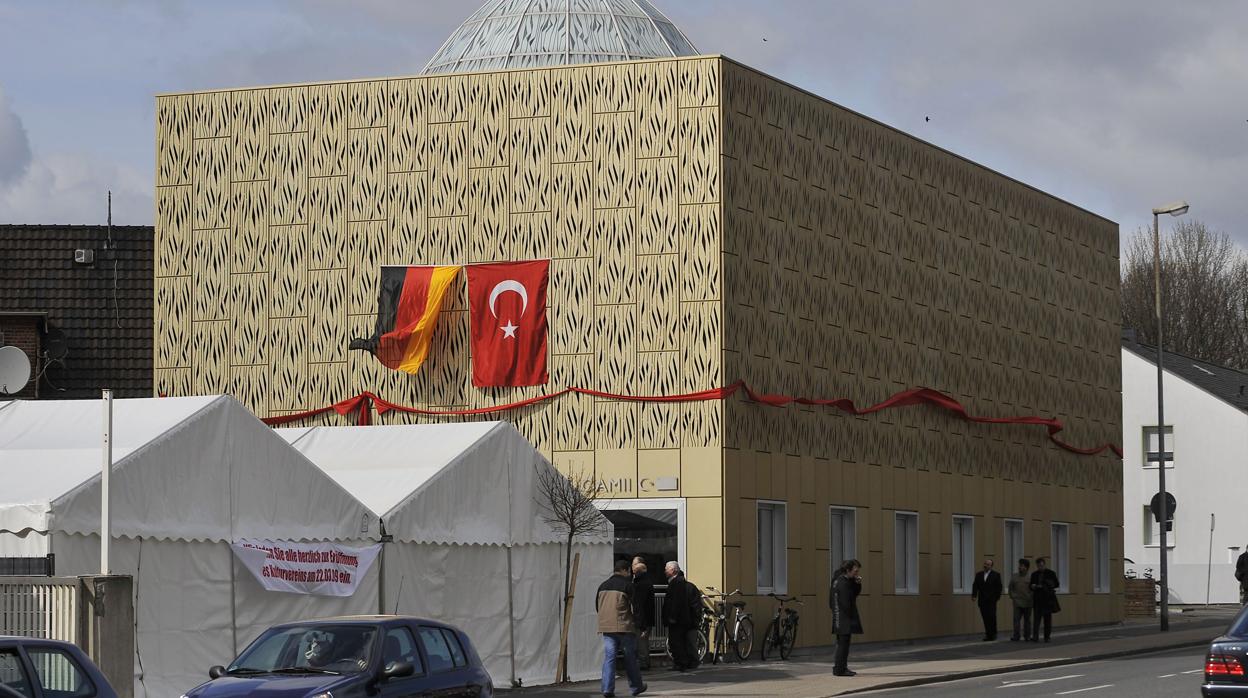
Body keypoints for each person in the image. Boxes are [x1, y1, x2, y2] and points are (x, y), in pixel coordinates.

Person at [596, 558, 647, 698]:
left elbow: (597, 606)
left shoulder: (602, 586)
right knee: (630, 657)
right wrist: (640, 625)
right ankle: (636, 686)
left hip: (606, 627)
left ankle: (607, 689)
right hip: (624, 627)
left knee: (609, 657)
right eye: (628, 571)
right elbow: (636, 608)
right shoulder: (628, 586)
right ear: (625, 570)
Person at [662, 561, 702, 672]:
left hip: (678, 620)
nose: (665, 571)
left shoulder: (676, 584)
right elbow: (695, 605)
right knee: (686, 642)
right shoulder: (688, 585)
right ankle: (689, 662)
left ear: (673, 570)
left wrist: (671, 617)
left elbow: (675, 603)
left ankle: (681, 663)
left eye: (667, 569)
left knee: (676, 642)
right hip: (686, 620)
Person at [829, 558, 863, 677]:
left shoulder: (838, 580)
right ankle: (840, 669)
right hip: (844, 617)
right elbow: (848, 601)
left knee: (841, 644)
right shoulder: (843, 583)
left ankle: (839, 667)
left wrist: (857, 584)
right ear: (847, 570)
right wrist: (850, 616)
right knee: (843, 645)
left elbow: (832, 601)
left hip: (839, 616)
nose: (856, 574)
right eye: (855, 571)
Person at [631, 557, 655, 670]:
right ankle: (645, 662)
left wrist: (641, 623)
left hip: (642, 619)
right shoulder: (647, 582)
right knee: (643, 642)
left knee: (641, 642)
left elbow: (639, 605)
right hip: (647, 618)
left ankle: (643, 664)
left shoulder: (640, 584)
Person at [1029, 557, 1060, 642]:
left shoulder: (1051, 573)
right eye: (1039, 566)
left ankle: (1047, 637)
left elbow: (1057, 584)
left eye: (1042, 565)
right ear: (1037, 565)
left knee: (1047, 620)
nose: (1040, 567)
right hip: (1038, 599)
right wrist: (1033, 586)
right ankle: (1035, 637)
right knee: (1036, 619)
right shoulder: (1034, 574)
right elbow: (1030, 585)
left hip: (1047, 599)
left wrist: (1047, 585)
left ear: (1044, 564)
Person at [971, 558, 1003, 641]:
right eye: (985, 564)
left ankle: (993, 634)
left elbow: (999, 587)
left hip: (991, 600)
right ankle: (988, 634)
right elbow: (975, 585)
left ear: (991, 566)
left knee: (992, 617)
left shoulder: (996, 575)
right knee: (985, 618)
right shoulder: (979, 574)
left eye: (988, 564)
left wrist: (997, 597)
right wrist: (974, 595)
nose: (986, 565)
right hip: (982, 600)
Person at [1008, 558, 1033, 641]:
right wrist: (1012, 596)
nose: (1019, 567)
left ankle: (1027, 636)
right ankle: (1016, 636)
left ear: (1026, 567)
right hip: (1017, 602)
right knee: (1016, 620)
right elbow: (1010, 587)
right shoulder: (1014, 576)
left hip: (1028, 602)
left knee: (1027, 620)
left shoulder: (1031, 577)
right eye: (1019, 565)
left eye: (1021, 566)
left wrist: (1030, 597)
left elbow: (1033, 589)